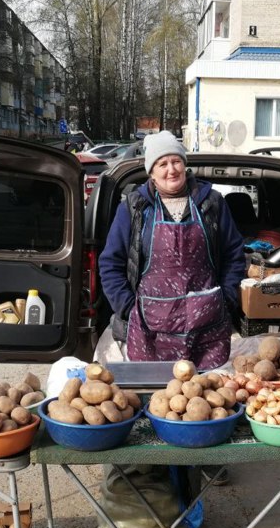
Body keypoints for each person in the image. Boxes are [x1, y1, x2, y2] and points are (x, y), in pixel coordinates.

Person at [98, 130, 246, 369]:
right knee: (157, 396)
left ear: (185, 165)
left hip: (206, 329)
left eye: (176, 161)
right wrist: (128, 307)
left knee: (203, 396)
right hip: (150, 332)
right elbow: (110, 263)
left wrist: (226, 299)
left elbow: (234, 255)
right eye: (162, 163)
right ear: (152, 172)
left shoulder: (212, 203)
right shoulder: (134, 208)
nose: (171, 169)